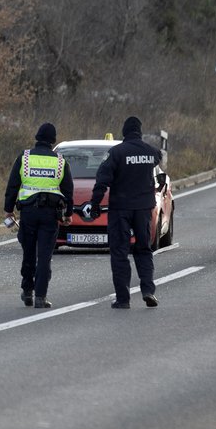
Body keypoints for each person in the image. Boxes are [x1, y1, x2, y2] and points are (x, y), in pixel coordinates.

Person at [88, 116, 161, 309]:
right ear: (140, 131)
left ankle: (123, 299)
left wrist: (95, 204)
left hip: (120, 209)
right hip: (144, 209)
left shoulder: (116, 153)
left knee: (119, 252)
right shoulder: (151, 152)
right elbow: (158, 157)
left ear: (124, 132)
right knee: (144, 250)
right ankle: (148, 291)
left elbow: (102, 180)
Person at [4, 122, 73, 308]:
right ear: (53, 140)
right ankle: (40, 297)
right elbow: (68, 190)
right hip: (50, 215)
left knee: (28, 253)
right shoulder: (59, 161)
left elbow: (13, 185)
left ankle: (27, 291)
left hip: (28, 213)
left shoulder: (24, 158)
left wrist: (8, 209)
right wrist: (68, 214)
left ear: (37, 137)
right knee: (44, 256)